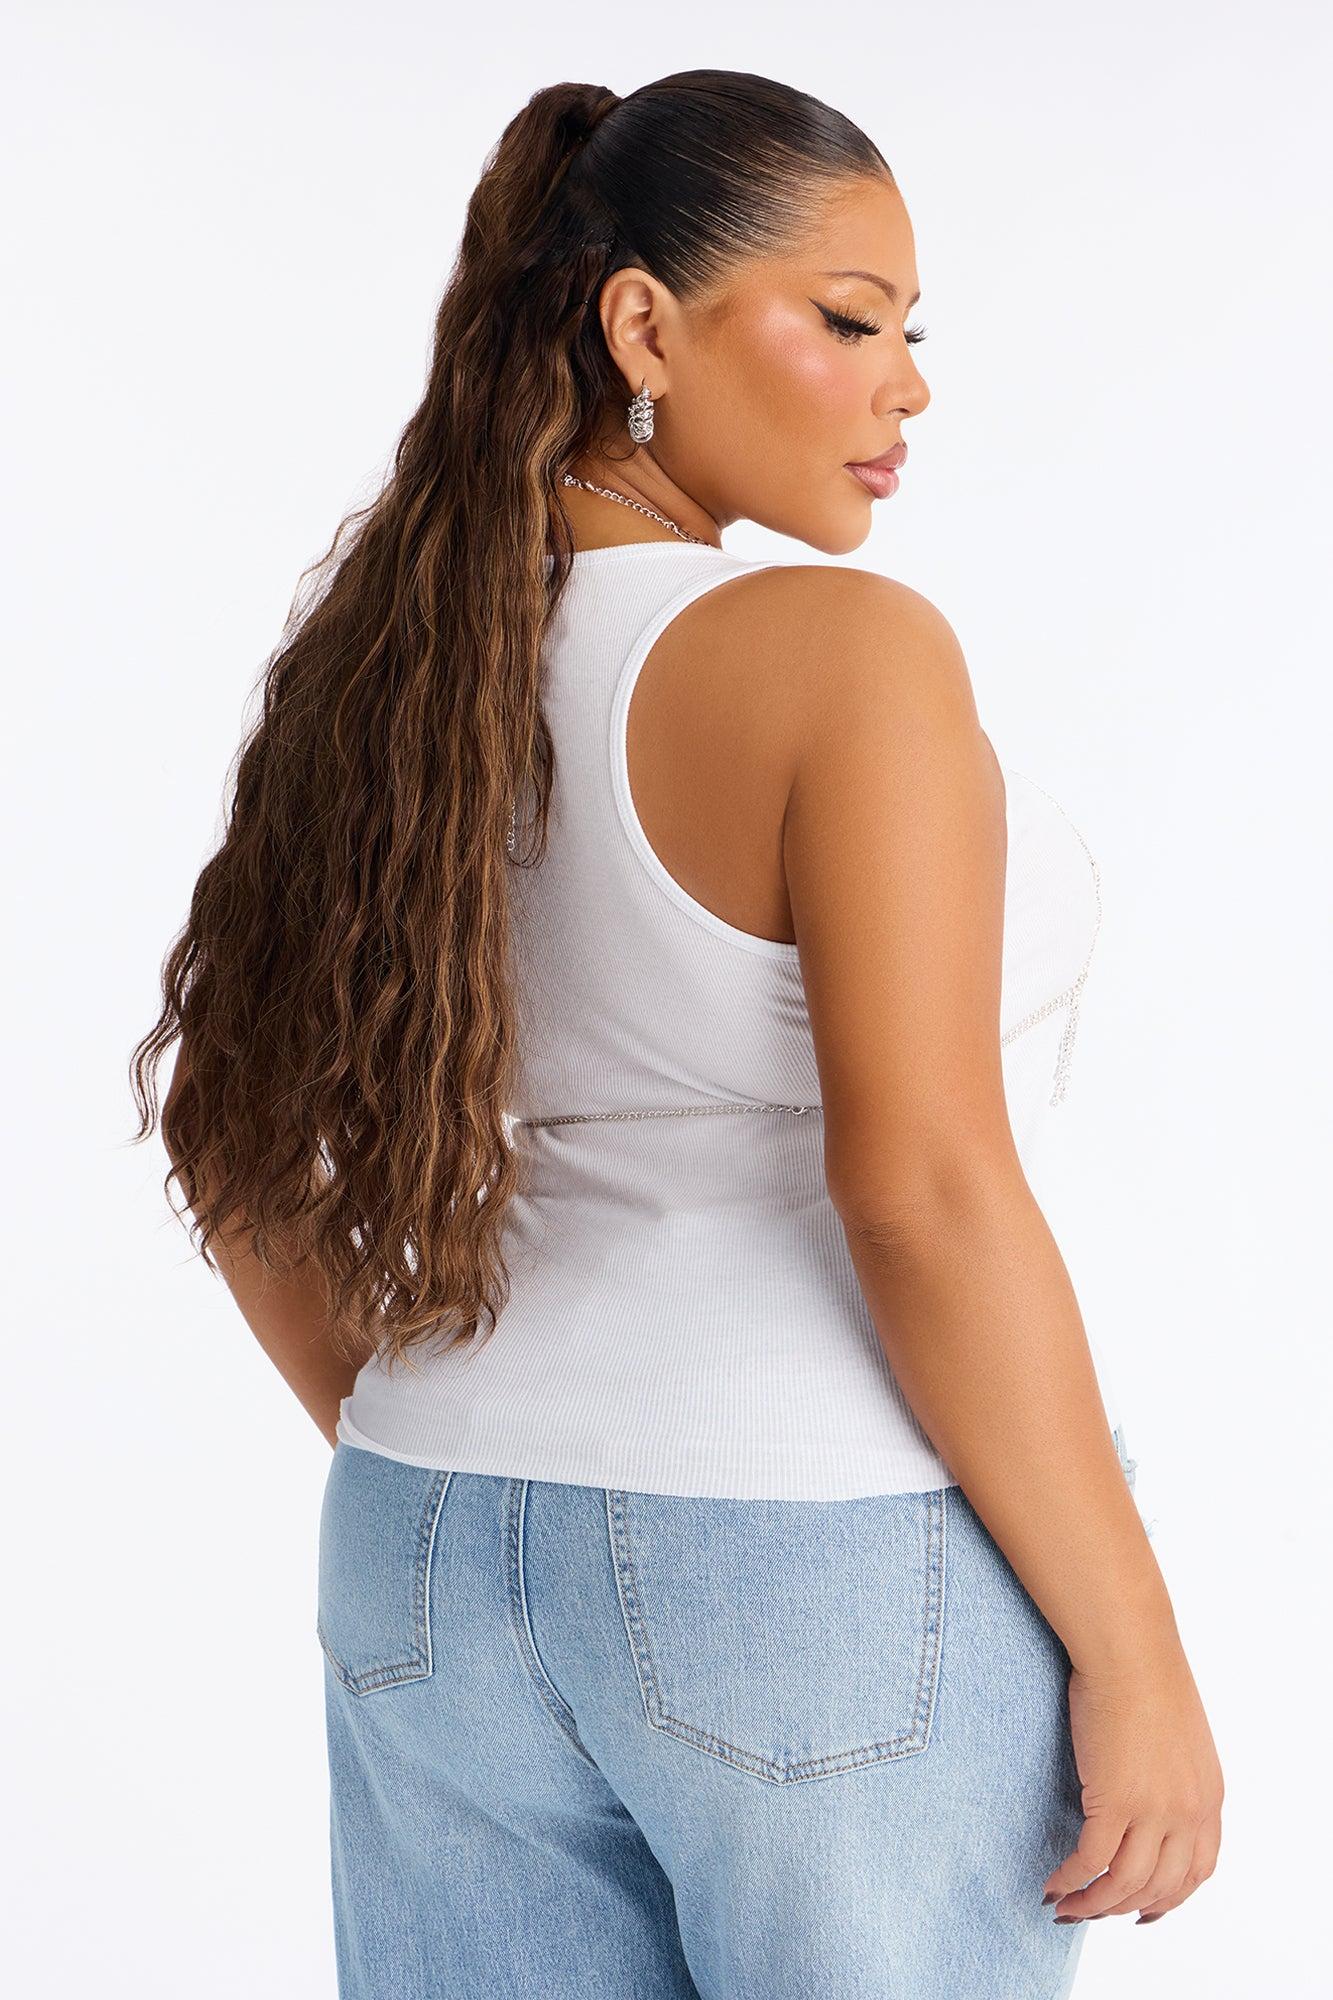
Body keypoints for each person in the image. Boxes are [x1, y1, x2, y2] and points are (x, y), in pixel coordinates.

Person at [131, 69, 1223, 1999]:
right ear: (641, 325)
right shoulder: (839, 655)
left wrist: (441, 1435)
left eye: (912, 333)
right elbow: (920, 1190)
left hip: (426, 1542)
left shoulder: (391, 672)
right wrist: (1133, 1652)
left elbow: (228, 1133)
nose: (908, 387)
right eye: (850, 319)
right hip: (810, 1568)